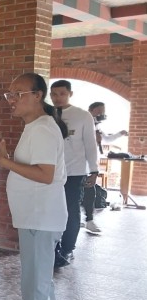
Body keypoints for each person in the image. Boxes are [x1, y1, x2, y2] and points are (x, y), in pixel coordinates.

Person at [0, 72, 68, 300]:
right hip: (37, 215)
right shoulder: (36, 126)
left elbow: (45, 175)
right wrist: (10, 160)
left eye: (18, 94)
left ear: (38, 96)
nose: (11, 100)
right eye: (9, 95)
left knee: (34, 283)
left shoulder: (43, 129)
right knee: (42, 281)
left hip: (40, 216)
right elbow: (36, 167)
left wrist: (6, 162)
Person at [49, 80, 98, 267]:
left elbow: (90, 144)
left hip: (74, 171)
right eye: (54, 94)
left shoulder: (82, 115)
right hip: (50, 171)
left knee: (71, 210)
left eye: (62, 93)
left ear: (70, 94)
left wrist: (93, 170)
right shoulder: (47, 113)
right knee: (52, 210)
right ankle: (53, 246)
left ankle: (67, 249)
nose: (57, 98)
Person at [81, 102, 128, 234]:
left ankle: (89, 220)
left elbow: (105, 139)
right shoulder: (83, 123)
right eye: (99, 111)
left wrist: (119, 134)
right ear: (91, 110)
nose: (101, 114)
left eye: (103, 111)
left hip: (90, 166)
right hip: (78, 165)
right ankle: (76, 219)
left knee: (90, 193)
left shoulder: (97, 127)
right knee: (76, 195)